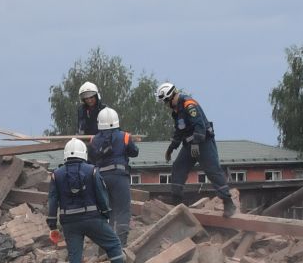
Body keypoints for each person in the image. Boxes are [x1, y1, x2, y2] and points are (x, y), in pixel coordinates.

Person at [48, 137, 131, 263]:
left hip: (69, 223)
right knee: (114, 244)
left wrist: (51, 225)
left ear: (65, 155)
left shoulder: (56, 175)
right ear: (83, 153)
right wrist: (106, 214)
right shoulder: (92, 171)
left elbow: (52, 201)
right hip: (93, 218)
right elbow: (101, 195)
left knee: (75, 259)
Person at [157, 82, 241, 214]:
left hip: (203, 143)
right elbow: (179, 130)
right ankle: (177, 202)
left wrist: (196, 143)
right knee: (178, 167)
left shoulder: (189, 105)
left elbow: (199, 125)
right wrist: (172, 147)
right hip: (189, 144)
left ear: (171, 96)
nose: (165, 105)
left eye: (165, 101)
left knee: (213, 171)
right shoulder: (177, 110)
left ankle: (228, 203)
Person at [88, 107, 140, 242]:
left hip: (101, 178)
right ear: (117, 121)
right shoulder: (125, 136)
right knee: (123, 210)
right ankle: (121, 244)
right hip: (119, 177)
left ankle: (106, 245)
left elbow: (91, 159)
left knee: (106, 211)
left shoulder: (93, 140)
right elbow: (135, 152)